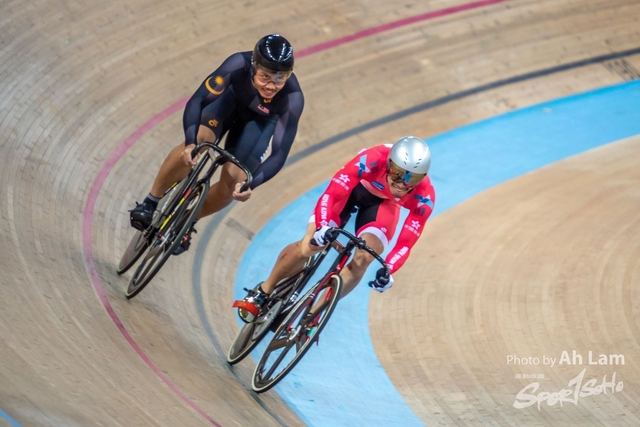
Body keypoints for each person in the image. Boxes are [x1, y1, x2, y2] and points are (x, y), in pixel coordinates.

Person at [129, 34, 304, 254]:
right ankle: (150, 202)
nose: (271, 86)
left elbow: (279, 154)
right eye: (265, 77)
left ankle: (187, 221)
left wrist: (251, 184)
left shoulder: (293, 97)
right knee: (199, 142)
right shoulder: (237, 64)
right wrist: (190, 143)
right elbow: (197, 100)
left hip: (259, 123)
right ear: (253, 67)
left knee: (235, 182)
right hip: (227, 103)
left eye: (280, 79)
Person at [234, 136, 436, 322]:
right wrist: (323, 226)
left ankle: (312, 316)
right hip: (354, 189)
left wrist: (389, 270)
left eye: (412, 179)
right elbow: (331, 194)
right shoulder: (373, 159)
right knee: (311, 245)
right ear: (389, 163)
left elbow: (405, 243)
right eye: (398, 173)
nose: (402, 183)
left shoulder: (424, 196)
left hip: (384, 205)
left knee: (364, 258)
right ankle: (264, 291)